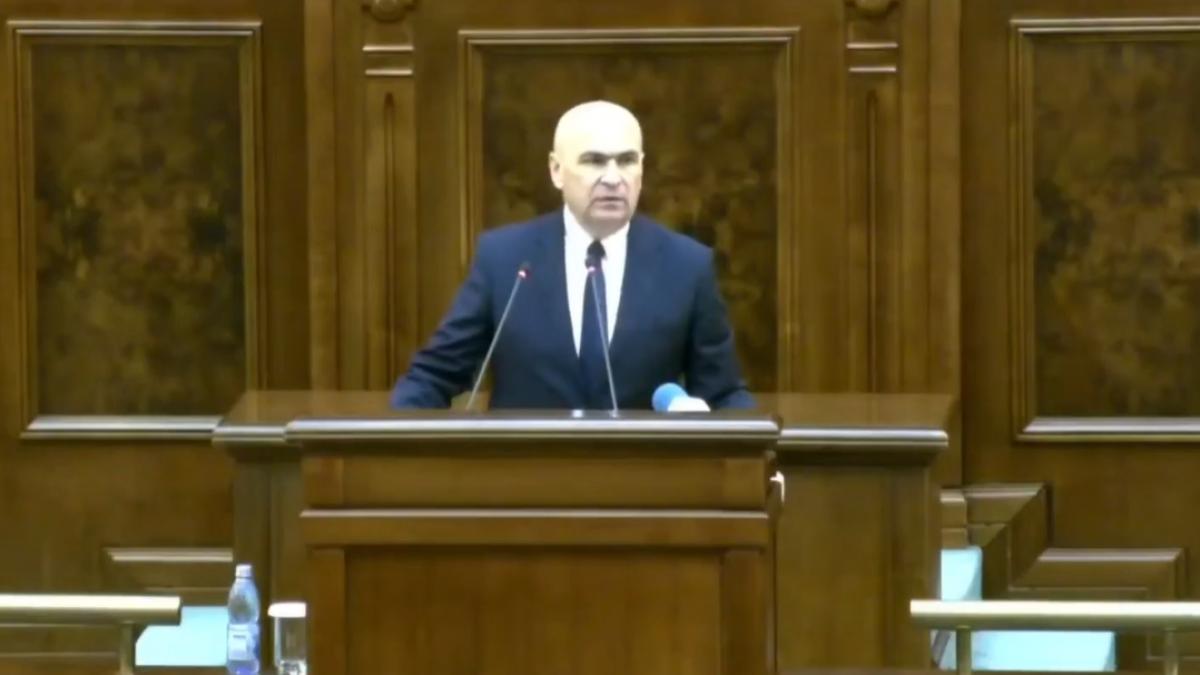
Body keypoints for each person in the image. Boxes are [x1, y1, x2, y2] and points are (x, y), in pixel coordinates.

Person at [390, 100, 754, 410]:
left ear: (642, 169)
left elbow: (723, 393)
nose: (613, 178)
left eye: (627, 161)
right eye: (594, 161)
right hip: (524, 469)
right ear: (556, 170)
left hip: (643, 470)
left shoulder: (686, 266)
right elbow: (434, 376)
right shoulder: (505, 259)